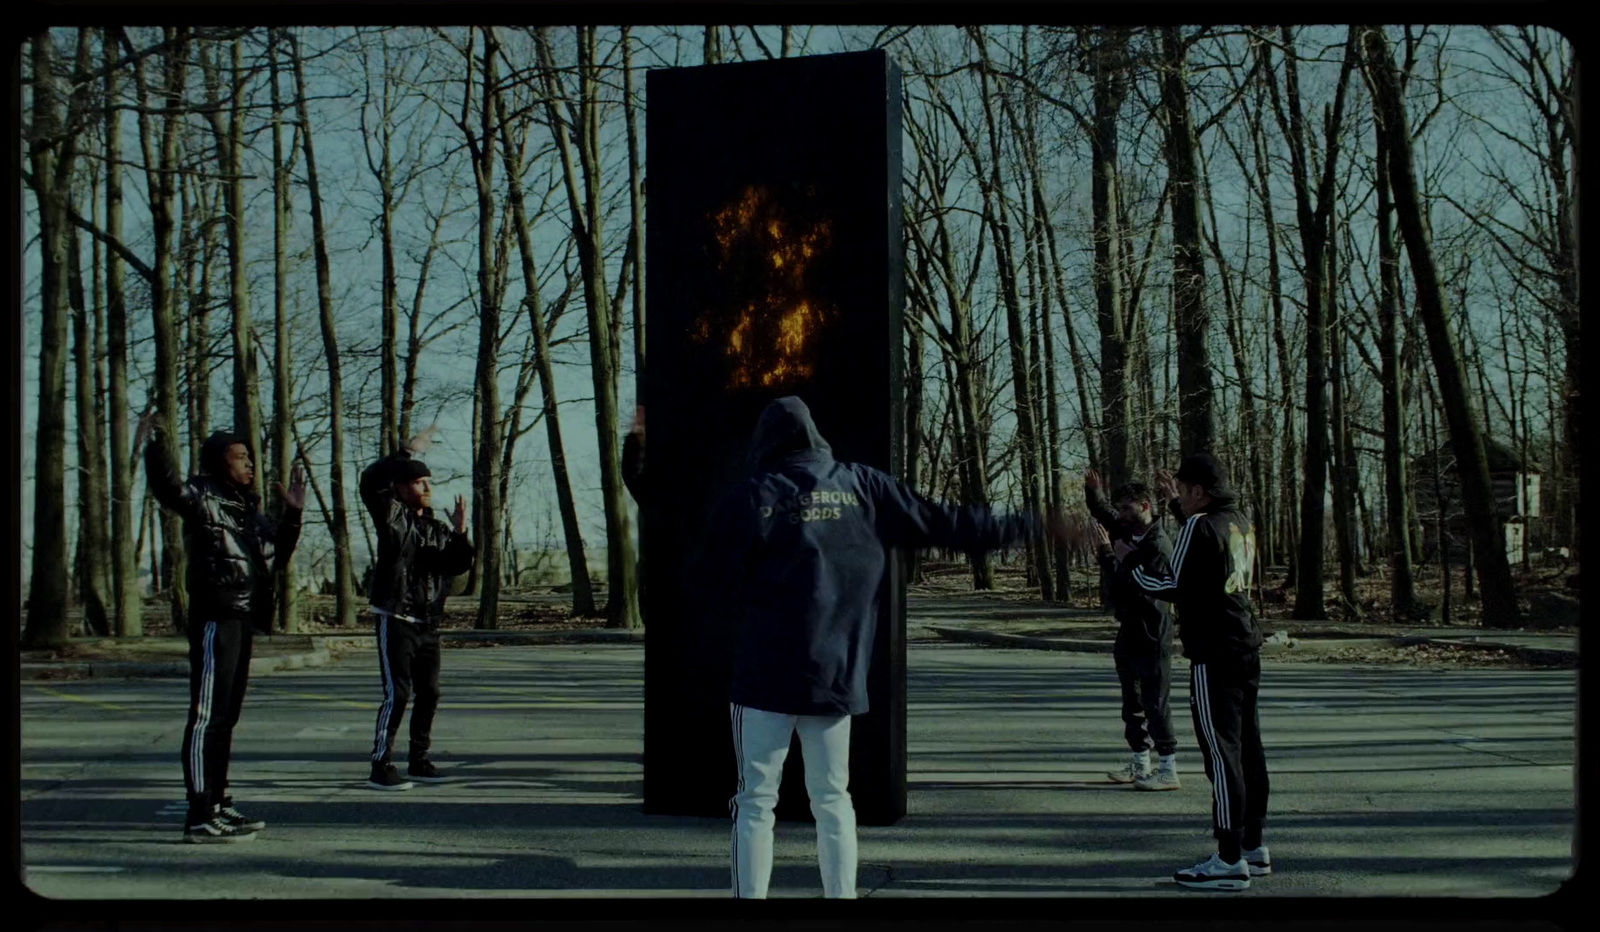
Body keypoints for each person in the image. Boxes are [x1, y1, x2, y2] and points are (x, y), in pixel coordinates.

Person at [698, 396, 1056, 899]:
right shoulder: (864, 486)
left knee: (756, 802)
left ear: (766, 442)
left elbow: (707, 580)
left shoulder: (756, 493)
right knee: (832, 799)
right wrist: (1026, 525)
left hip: (764, 677)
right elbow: (946, 522)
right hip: (836, 675)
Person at [137, 406, 304, 844]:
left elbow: (273, 560)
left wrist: (293, 518)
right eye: (239, 456)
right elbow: (168, 488)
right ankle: (199, 813)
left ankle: (218, 799)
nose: (249, 463)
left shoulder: (246, 506)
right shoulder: (202, 493)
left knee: (226, 718)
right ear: (218, 463)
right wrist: (156, 445)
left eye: (250, 456)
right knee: (206, 716)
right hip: (215, 616)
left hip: (242, 618)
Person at [1126, 453, 1269, 891]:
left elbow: (1172, 584)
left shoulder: (1196, 527)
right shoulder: (1239, 520)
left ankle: (1227, 860)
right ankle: (1252, 847)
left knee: (1221, 755)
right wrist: (1175, 507)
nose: (1180, 498)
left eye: (1184, 491)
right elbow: (1209, 562)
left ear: (1199, 492)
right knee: (1248, 749)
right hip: (1246, 644)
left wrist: (1128, 562)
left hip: (1213, 653)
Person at [358, 424, 474, 791]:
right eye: (420, 482)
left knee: (431, 692)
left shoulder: (437, 528)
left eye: (429, 482)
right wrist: (405, 454)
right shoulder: (392, 517)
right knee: (399, 693)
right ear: (402, 487)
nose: (428, 488)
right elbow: (370, 481)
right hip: (395, 617)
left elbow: (456, 566)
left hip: (428, 623)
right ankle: (381, 764)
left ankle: (419, 758)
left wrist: (459, 533)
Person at [1087, 478, 1180, 790]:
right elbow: (1103, 514)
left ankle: (1168, 769)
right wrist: (1094, 491)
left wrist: (1108, 556)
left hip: (1153, 632)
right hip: (1128, 630)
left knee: (1156, 703)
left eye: (1128, 508)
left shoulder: (1158, 545)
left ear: (1146, 507)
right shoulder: (1126, 532)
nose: (1121, 514)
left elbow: (1139, 586)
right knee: (1132, 702)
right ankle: (1140, 763)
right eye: (1120, 509)